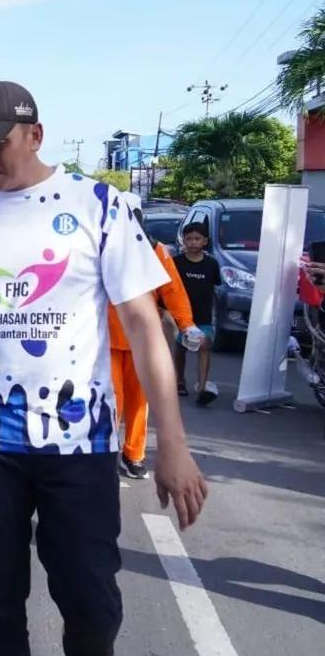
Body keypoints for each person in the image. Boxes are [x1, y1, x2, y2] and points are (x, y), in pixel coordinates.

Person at [0, 80, 207, 656]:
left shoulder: (97, 205)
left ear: (36, 135)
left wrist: (172, 443)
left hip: (79, 443)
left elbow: (145, 325)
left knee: (91, 605)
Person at [109, 196, 201, 480]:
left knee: (139, 401)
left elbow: (172, 291)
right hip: (105, 340)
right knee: (111, 400)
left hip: (142, 341)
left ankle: (133, 454)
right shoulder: (100, 248)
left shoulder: (155, 250)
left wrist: (187, 325)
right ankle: (104, 454)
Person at [173, 222, 222, 406]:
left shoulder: (211, 264)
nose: (193, 242)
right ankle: (179, 380)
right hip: (180, 316)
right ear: (183, 241)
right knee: (181, 347)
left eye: (197, 238)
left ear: (205, 241)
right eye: (189, 239)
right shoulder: (176, 263)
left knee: (204, 346)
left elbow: (216, 288)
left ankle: (202, 387)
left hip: (203, 317)